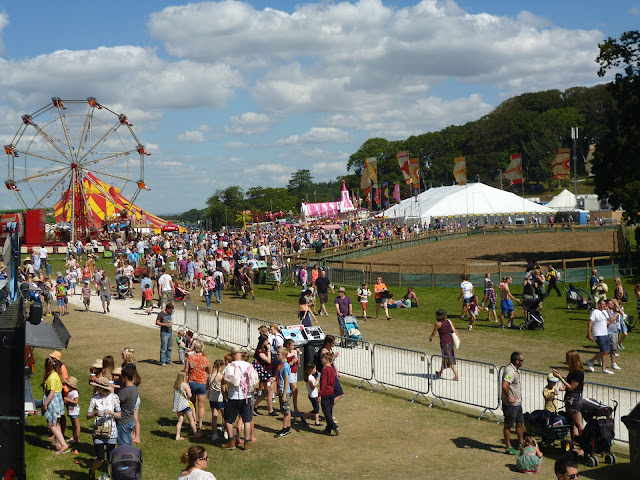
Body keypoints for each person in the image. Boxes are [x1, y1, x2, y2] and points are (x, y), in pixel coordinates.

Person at [87, 376, 121, 480]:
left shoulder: (114, 397)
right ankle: (92, 471)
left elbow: (120, 415)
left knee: (110, 458)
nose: (96, 388)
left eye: (98, 387)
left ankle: (110, 477)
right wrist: (94, 414)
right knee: (100, 458)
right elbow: (87, 416)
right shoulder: (94, 398)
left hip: (112, 432)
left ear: (103, 388)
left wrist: (112, 413)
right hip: (98, 431)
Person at [222, 346, 254, 450]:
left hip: (234, 396)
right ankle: (246, 443)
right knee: (247, 420)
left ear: (233, 355)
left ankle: (231, 441)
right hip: (247, 396)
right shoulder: (249, 365)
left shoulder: (230, 366)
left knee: (229, 420)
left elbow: (223, 380)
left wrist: (225, 394)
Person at [553, 350, 585, 443]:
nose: (566, 360)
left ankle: (584, 445)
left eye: (568, 359)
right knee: (572, 424)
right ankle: (573, 445)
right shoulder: (572, 372)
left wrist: (560, 378)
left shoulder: (578, 373)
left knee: (579, 425)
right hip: (569, 399)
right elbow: (568, 386)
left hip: (574, 400)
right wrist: (559, 388)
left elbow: (571, 387)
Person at [42, 357, 69, 454]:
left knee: (51, 424)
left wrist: (45, 404)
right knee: (56, 423)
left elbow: (52, 392)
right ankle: (59, 445)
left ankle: (63, 444)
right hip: (57, 401)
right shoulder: (56, 375)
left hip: (53, 402)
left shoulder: (52, 377)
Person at [501, 351, 524, 455]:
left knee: (520, 423)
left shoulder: (515, 370)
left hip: (518, 403)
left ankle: (521, 443)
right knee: (508, 425)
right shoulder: (510, 371)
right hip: (511, 405)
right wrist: (508, 397)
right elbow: (505, 385)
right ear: (517, 361)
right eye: (522, 360)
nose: (523, 362)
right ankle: (508, 447)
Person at [185, 340, 211, 432]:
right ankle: (200, 424)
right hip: (202, 383)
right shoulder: (205, 359)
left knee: (192, 403)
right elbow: (208, 371)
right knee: (201, 406)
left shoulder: (190, 358)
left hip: (192, 382)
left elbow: (186, 371)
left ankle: (193, 421)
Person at [429, 308, 460, 381]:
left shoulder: (438, 324)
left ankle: (456, 376)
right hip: (450, 341)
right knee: (445, 357)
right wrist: (458, 338)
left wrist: (431, 337)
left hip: (444, 343)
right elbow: (454, 330)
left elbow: (433, 333)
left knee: (449, 359)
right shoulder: (449, 321)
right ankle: (440, 373)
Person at [585, 299, 614, 374]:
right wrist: (589, 334)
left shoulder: (604, 312)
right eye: (603, 304)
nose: (605, 306)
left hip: (605, 333)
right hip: (598, 334)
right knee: (603, 351)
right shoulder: (595, 312)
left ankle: (603, 369)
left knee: (606, 351)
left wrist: (608, 312)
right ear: (599, 305)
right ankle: (591, 361)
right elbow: (590, 323)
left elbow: (611, 321)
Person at [173, 371, 201, 441]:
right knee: (191, 419)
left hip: (178, 405)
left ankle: (177, 435)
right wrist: (190, 391)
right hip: (185, 405)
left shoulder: (177, 385)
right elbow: (190, 395)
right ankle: (195, 433)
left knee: (180, 420)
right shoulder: (185, 385)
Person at [319, 352, 339, 436]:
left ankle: (334, 426)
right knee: (329, 411)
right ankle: (328, 429)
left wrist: (320, 395)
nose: (321, 360)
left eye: (323, 358)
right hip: (331, 392)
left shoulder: (325, 370)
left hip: (325, 393)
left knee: (326, 411)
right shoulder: (332, 369)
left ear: (327, 360)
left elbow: (323, 384)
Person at [274, 347, 292, 438]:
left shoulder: (285, 366)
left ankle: (285, 429)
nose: (277, 356)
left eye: (278, 354)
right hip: (280, 390)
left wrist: (284, 394)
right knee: (286, 410)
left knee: (285, 411)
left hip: (284, 391)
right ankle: (288, 427)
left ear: (284, 356)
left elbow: (287, 380)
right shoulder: (281, 364)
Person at [207, 359, 225, 441]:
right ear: (221, 366)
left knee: (214, 417)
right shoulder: (221, 376)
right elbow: (223, 388)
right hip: (220, 398)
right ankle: (226, 431)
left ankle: (214, 434)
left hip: (212, 398)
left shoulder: (210, 375)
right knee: (225, 416)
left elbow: (207, 387)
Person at [301, 363, 322, 427]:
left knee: (317, 408)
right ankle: (304, 417)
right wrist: (317, 381)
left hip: (314, 394)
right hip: (313, 396)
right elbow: (312, 387)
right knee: (316, 409)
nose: (315, 370)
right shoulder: (309, 377)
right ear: (311, 369)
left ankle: (316, 421)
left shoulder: (311, 376)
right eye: (314, 368)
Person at [605, 299, 622, 370]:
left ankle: (599, 357)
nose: (612, 304)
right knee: (612, 349)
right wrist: (615, 317)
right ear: (607, 305)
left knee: (612, 349)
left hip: (614, 332)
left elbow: (621, 312)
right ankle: (613, 363)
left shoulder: (612, 311)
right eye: (611, 303)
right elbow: (607, 323)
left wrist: (617, 304)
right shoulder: (605, 313)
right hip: (609, 332)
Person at [64, 376, 80, 444]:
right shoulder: (70, 392)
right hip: (70, 410)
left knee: (76, 424)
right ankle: (73, 436)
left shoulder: (75, 392)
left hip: (74, 411)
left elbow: (76, 402)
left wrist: (67, 400)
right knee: (73, 424)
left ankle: (77, 438)